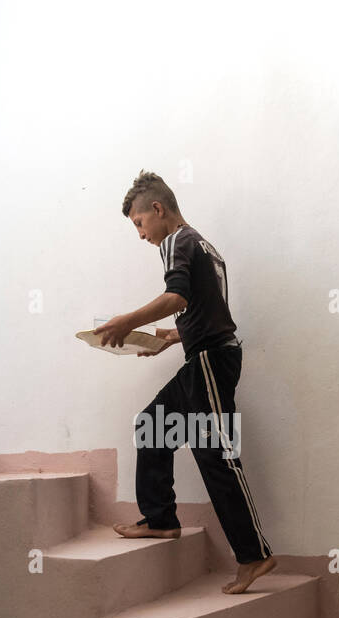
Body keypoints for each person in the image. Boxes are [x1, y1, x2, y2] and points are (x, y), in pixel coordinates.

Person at [95, 170, 277, 595]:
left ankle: (254, 556)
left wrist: (127, 321)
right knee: (151, 425)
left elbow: (176, 297)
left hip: (212, 363)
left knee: (217, 456)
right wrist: (174, 336)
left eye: (139, 224)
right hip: (203, 360)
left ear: (157, 209)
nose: (141, 235)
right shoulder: (204, 245)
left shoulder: (177, 241)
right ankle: (160, 519)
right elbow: (206, 308)